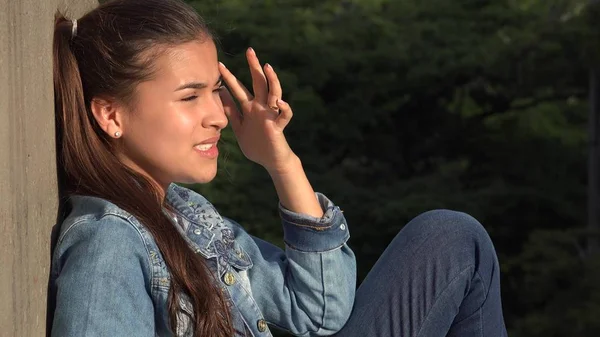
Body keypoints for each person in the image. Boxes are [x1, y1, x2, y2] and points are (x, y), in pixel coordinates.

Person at [49, 0, 508, 336]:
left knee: (451, 240)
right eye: (190, 96)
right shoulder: (108, 244)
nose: (218, 114)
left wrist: (281, 162)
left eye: (215, 90)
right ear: (111, 115)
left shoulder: (186, 215)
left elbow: (319, 310)